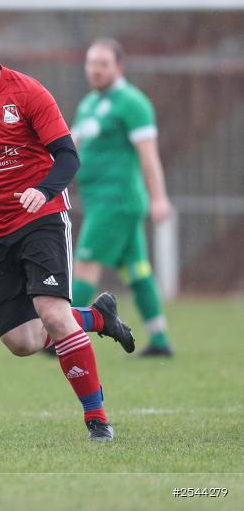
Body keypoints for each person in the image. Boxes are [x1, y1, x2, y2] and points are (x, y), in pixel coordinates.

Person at [0, 11, 135, 441]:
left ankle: (97, 422)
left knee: (52, 313)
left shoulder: (29, 93)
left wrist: (42, 189)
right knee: (21, 341)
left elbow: (68, 157)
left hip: (41, 218)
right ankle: (97, 317)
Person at [71, 38, 174, 357]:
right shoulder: (89, 104)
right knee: (137, 271)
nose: (95, 70)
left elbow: (148, 155)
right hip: (100, 200)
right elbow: (71, 146)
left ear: (119, 67)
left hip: (116, 201)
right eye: (91, 63)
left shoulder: (133, 103)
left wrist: (159, 198)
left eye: (103, 64)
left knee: (86, 262)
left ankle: (61, 333)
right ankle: (159, 340)